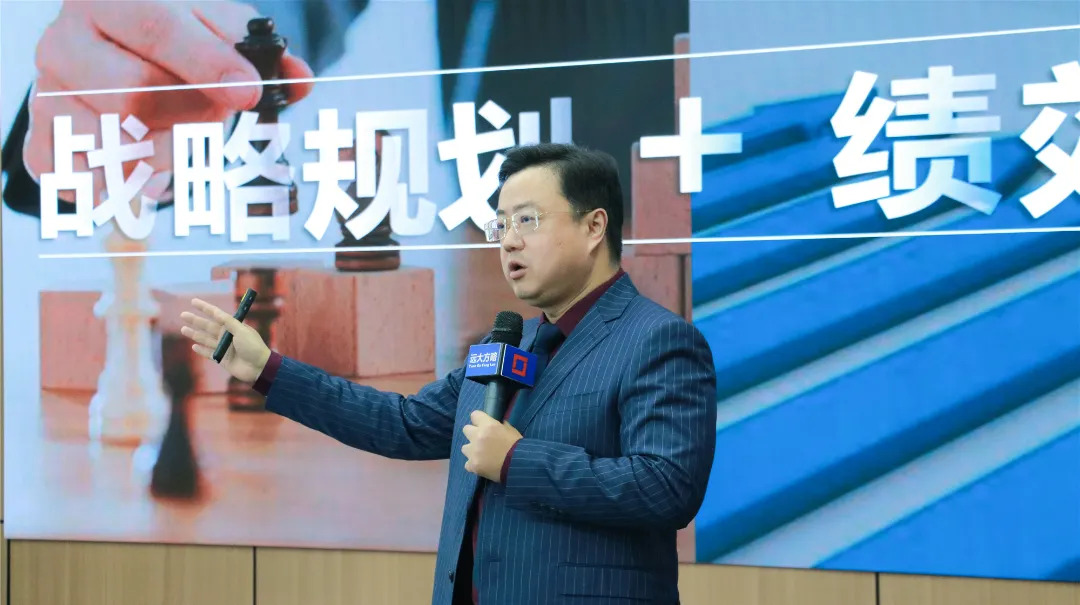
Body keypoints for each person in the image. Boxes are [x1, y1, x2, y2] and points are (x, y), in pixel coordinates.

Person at [180, 142, 717, 604]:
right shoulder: (508, 343)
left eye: (527, 220)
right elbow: (403, 423)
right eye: (500, 224)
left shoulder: (657, 341)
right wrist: (267, 369)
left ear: (594, 225)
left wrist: (516, 460)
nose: (507, 241)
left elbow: (666, 487)